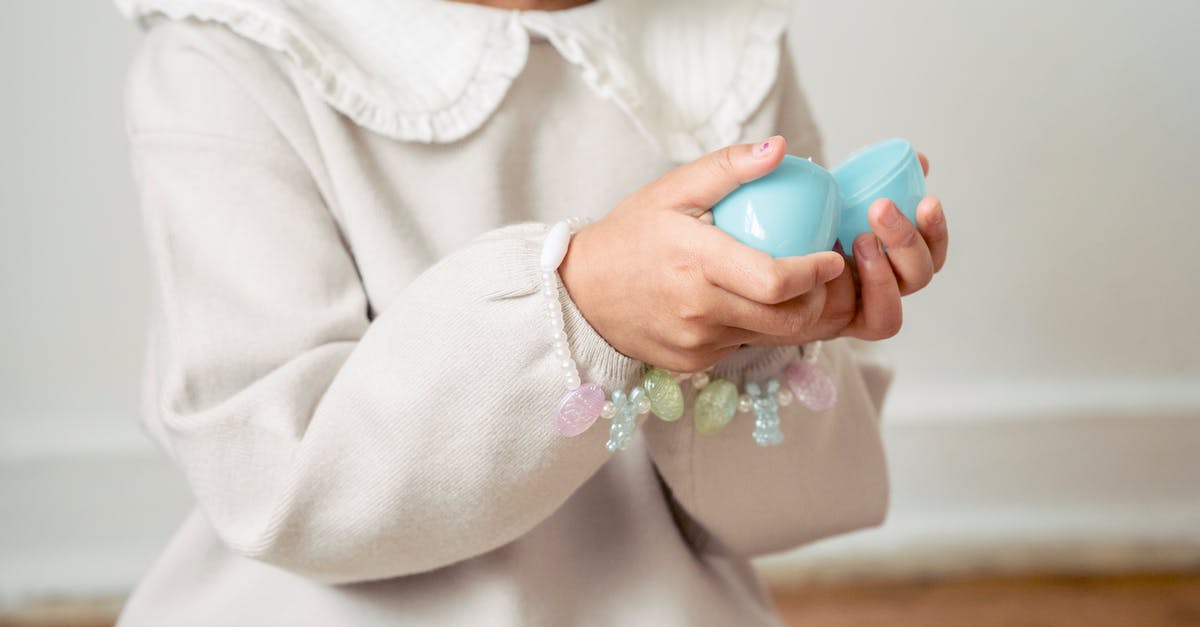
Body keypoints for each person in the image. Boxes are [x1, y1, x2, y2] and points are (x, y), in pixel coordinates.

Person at [113, 0, 949, 624]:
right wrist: (581, 312)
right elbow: (278, 484)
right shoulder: (235, 51)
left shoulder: (716, 48)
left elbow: (780, 504)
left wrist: (762, 331)